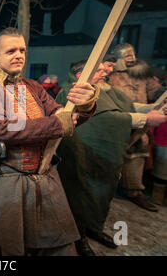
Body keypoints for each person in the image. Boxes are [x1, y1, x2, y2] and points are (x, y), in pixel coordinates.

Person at [0, 27, 99, 256]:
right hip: (8, 181)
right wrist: (57, 124)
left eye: (22, 49)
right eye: (11, 51)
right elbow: (0, 130)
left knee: (59, 246)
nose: (19, 54)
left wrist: (85, 106)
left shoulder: (33, 87)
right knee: (10, 248)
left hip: (45, 176)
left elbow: (64, 116)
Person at [56, 60, 167, 256]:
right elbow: (105, 118)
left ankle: (93, 228)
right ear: (82, 73)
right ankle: (78, 235)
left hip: (104, 156)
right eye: (98, 70)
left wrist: (155, 107)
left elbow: (126, 107)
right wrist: (147, 119)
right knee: (81, 194)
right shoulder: (71, 92)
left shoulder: (104, 90)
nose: (105, 72)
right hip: (81, 153)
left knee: (101, 195)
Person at [108, 43, 162, 211]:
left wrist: (162, 94)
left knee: (137, 156)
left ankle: (133, 191)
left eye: (132, 56)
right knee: (110, 157)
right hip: (117, 121)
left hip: (141, 123)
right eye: (126, 56)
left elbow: (156, 91)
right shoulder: (109, 74)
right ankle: (108, 190)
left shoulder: (143, 75)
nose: (130, 59)